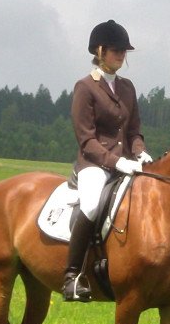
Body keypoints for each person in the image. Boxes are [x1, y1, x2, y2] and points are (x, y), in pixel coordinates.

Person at [63, 19, 153, 302]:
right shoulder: (85, 88)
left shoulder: (127, 88)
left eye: (124, 51)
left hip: (126, 162)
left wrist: (139, 151)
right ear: (100, 51)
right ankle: (73, 276)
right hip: (94, 164)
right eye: (116, 50)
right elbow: (86, 140)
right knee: (90, 205)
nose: (121, 55)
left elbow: (134, 130)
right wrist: (117, 162)